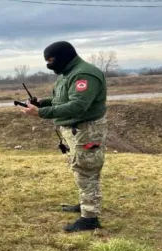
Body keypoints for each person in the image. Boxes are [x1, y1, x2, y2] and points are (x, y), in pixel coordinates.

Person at [21, 41, 107, 232]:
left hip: (87, 130)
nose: (49, 65)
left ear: (64, 56)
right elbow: (62, 100)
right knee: (80, 166)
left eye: (51, 61)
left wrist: (40, 113)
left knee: (87, 169)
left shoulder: (83, 74)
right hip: (75, 130)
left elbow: (78, 105)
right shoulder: (67, 74)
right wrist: (42, 103)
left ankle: (90, 218)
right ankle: (85, 204)